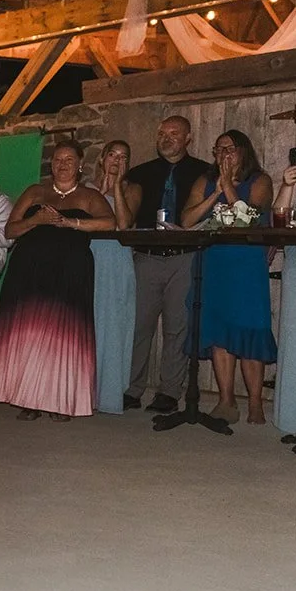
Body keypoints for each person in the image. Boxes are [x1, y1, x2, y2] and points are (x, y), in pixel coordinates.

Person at [0, 141, 118, 421]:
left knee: (63, 334)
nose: (63, 164)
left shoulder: (87, 196)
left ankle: (60, 399)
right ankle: (29, 398)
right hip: (29, 269)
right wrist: (38, 220)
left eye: (69, 159)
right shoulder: (36, 192)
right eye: (58, 159)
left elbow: (110, 222)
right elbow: (10, 230)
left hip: (70, 269)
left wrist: (72, 224)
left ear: (80, 165)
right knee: (30, 332)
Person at [115, 116, 214, 413]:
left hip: (184, 258)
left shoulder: (205, 173)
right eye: (161, 133)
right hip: (146, 257)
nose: (166, 138)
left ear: (188, 138)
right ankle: (132, 389)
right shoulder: (141, 173)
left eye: (174, 133)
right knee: (139, 326)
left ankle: (169, 392)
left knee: (177, 328)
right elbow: (127, 218)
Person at [179, 129, 276, 424]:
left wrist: (231, 188)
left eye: (230, 148)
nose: (224, 154)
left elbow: (250, 219)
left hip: (246, 262)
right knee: (219, 330)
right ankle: (225, 400)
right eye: (218, 149)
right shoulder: (204, 181)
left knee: (249, 330)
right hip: (214, 261)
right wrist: (217, 192)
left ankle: (256, 404)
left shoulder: (260, 180)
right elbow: (186, 220)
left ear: (243, 151)